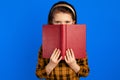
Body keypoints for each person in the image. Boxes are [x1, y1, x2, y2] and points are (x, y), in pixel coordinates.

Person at [36, 1, 90, 80]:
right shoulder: (45, 46)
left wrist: (73, 64)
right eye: (57, 22)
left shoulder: (79, 46)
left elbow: (85, 73)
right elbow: (39, 74)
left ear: (73, 23)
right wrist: (51, 65)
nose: (63, 26)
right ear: (51, 23)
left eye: (67, 22)